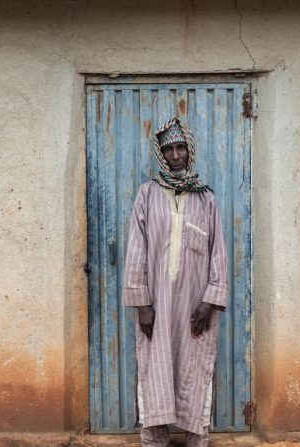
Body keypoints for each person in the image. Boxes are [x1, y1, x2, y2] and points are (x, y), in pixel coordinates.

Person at [122, 116, 228, 447]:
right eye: (169, 149)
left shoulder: (206, 198)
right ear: (162, 155)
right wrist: (142, 303)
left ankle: (197, 439)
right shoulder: (147, 194)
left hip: (196, 306)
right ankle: (155, 439)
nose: (176, 155)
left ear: (189, 151)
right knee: (156, 367)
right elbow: (136, 249)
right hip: (157, 305)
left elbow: (218, 253)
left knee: (194, 368)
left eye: (181, 147)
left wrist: (210, 300)